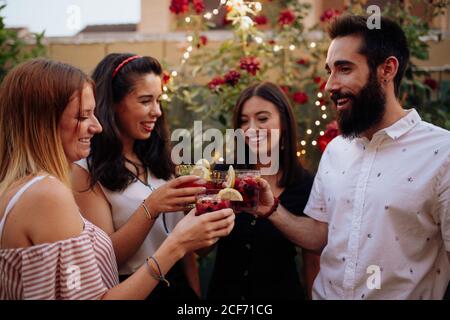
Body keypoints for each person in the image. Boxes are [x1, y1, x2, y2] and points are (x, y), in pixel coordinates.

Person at [0, 58, 235, 300]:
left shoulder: (30, 188)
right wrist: (174, 241)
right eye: (83, 116)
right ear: (43, 123)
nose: (97, 126)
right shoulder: (48, 193)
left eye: (158, 100)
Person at [254, 15, 450, 299]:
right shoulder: (336, 149)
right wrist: (272, 210)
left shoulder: (442, 153)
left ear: (387, 69)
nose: (329, 85)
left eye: (344, 69)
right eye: (329, 71)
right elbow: (320, 235)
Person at [71, 53, 211, 300]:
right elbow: (105, 258)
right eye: (145, 100)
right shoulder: (85, 170)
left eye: (159, 100)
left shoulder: (164, 161)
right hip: (132, 289)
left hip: (179, 288)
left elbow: (187, 247)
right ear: (112, 103)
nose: (156, 111)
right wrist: (152, 206)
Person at [206, 82, 320, 300]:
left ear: (284, 123)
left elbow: (313, 260)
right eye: (243, 121)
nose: (251, 128)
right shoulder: (222, 174)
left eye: (262, 118)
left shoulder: (305, 183)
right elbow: (201, 250)